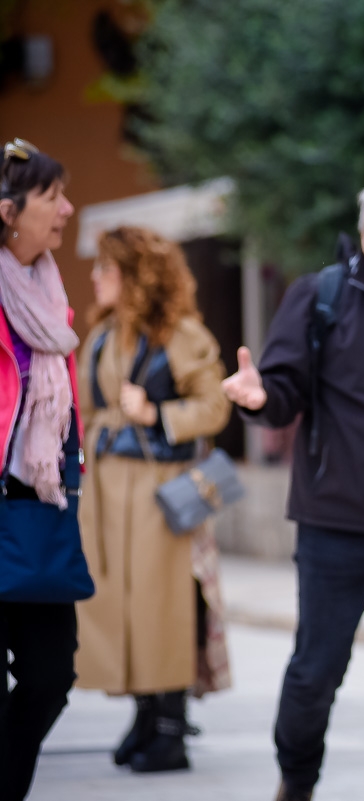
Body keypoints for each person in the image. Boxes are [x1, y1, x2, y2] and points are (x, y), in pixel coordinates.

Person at [221, 175, 364, 801]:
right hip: (333, 519)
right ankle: (297, 781)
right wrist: (259, 397)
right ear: (363, 236)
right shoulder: (320, 295)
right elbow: (282, 391)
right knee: (317, 667)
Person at [74, 226, 233, 773]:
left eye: (107, 268)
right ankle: (145, 716)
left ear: (135, 275)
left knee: (162, 607)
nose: (96, 277)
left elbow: (214, 406)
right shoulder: (101, 335)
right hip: (105, 493)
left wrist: (155, 413)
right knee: (121, 606)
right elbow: (86, 410)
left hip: (160, 494)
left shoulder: (181, 334)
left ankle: (169, 726)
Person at [0, 139, 84, 801]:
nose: (67, 209)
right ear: (9, 212)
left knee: (52, 675)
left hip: (38, 513)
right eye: (52, 196)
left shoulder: (50, 298)